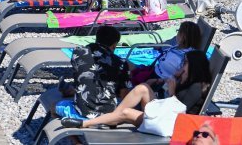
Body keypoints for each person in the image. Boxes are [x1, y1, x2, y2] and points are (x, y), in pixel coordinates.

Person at [63, 51, 212, 129]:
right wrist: (162, 81)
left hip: (170, 124)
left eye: (184, 63)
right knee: (143, 88)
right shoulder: (187, 81)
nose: (181, 65)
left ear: (194, 67)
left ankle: (87, 123)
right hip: (165, 115)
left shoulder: (196, 88)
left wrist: (172, 91)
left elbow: (178, 113)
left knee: (127, 113)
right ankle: (111, 119)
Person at [66, 26, 132, 119]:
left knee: (54, 108)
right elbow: (124, 94)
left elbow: (82, 77)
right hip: (109, 114)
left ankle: (73, 133)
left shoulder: (78, 52)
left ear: (97, 38)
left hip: (81, 110)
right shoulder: (121, 63)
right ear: (114, 45)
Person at [129, 21, 202, 83]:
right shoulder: (177, 46)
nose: (177, 34)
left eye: (178, 31)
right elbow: (163, 48)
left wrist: (158, 81)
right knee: (126, 65)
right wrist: (157, 46)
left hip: (158, 82)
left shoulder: (188, 57)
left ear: (183, 37)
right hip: (153, 71)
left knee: (129, 76)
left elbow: (179, 80)